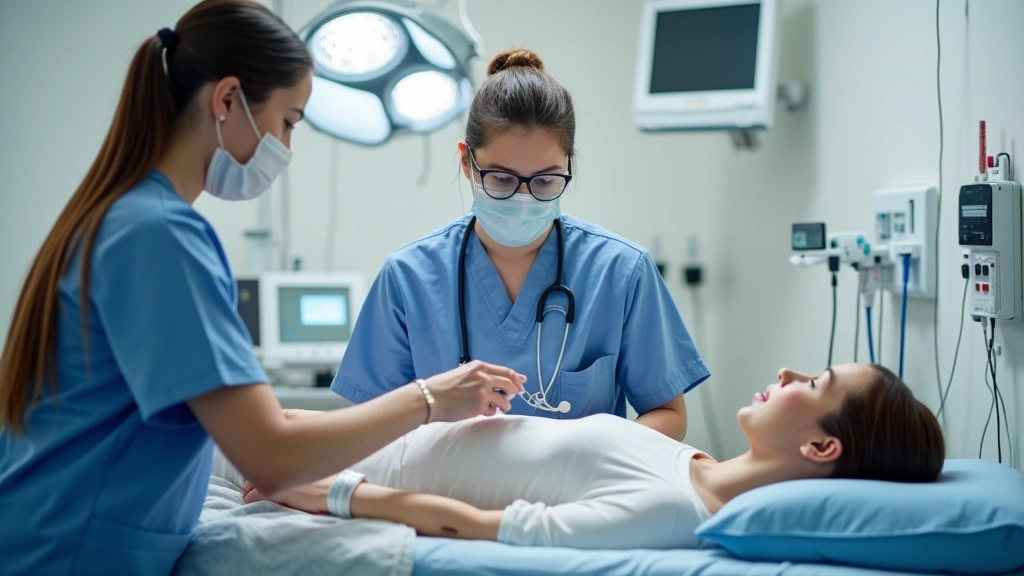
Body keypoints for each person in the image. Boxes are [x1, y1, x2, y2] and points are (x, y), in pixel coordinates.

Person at [0, 2, 524, 574]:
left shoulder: (125, 217)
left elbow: (234, 426)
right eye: (289, 122)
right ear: (226, 101)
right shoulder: (161, 236)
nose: (288, 148)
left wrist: (301, 423)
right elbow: (270, 459)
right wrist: (429, 399)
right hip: (71, 554)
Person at [333, 48, 709, 441]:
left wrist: (591, 457)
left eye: (546, 180)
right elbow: (371, 428)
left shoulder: (620, 271)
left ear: (569, 165)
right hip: (442, 494)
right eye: (501, 178)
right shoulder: (408, 278)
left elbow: (667, 412)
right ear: (467, 164)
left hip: (575, 497)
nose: (523, 198)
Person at [244, 363, 946, 550]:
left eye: (816, 382)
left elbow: (468, 525)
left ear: (822, 446)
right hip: (360, 438)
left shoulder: (673, 511)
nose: (790, 373)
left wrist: (327, 491)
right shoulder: (690, 459)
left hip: (342, 469)